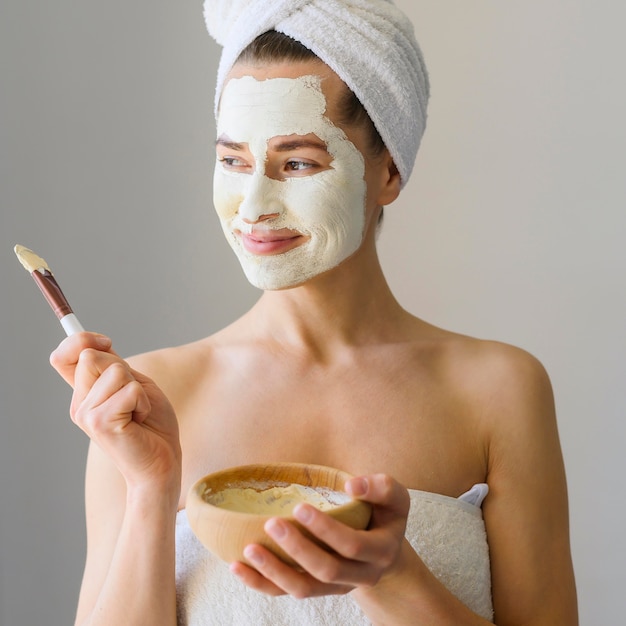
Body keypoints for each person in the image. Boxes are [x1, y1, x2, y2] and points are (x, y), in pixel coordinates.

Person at [50, 1, 578, 624]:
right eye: (233, 161)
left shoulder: (498, 390)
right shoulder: (145, 400)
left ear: (389, 171)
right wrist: (150, 488)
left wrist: (392, 577)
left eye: (297, 162)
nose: (254, 206)